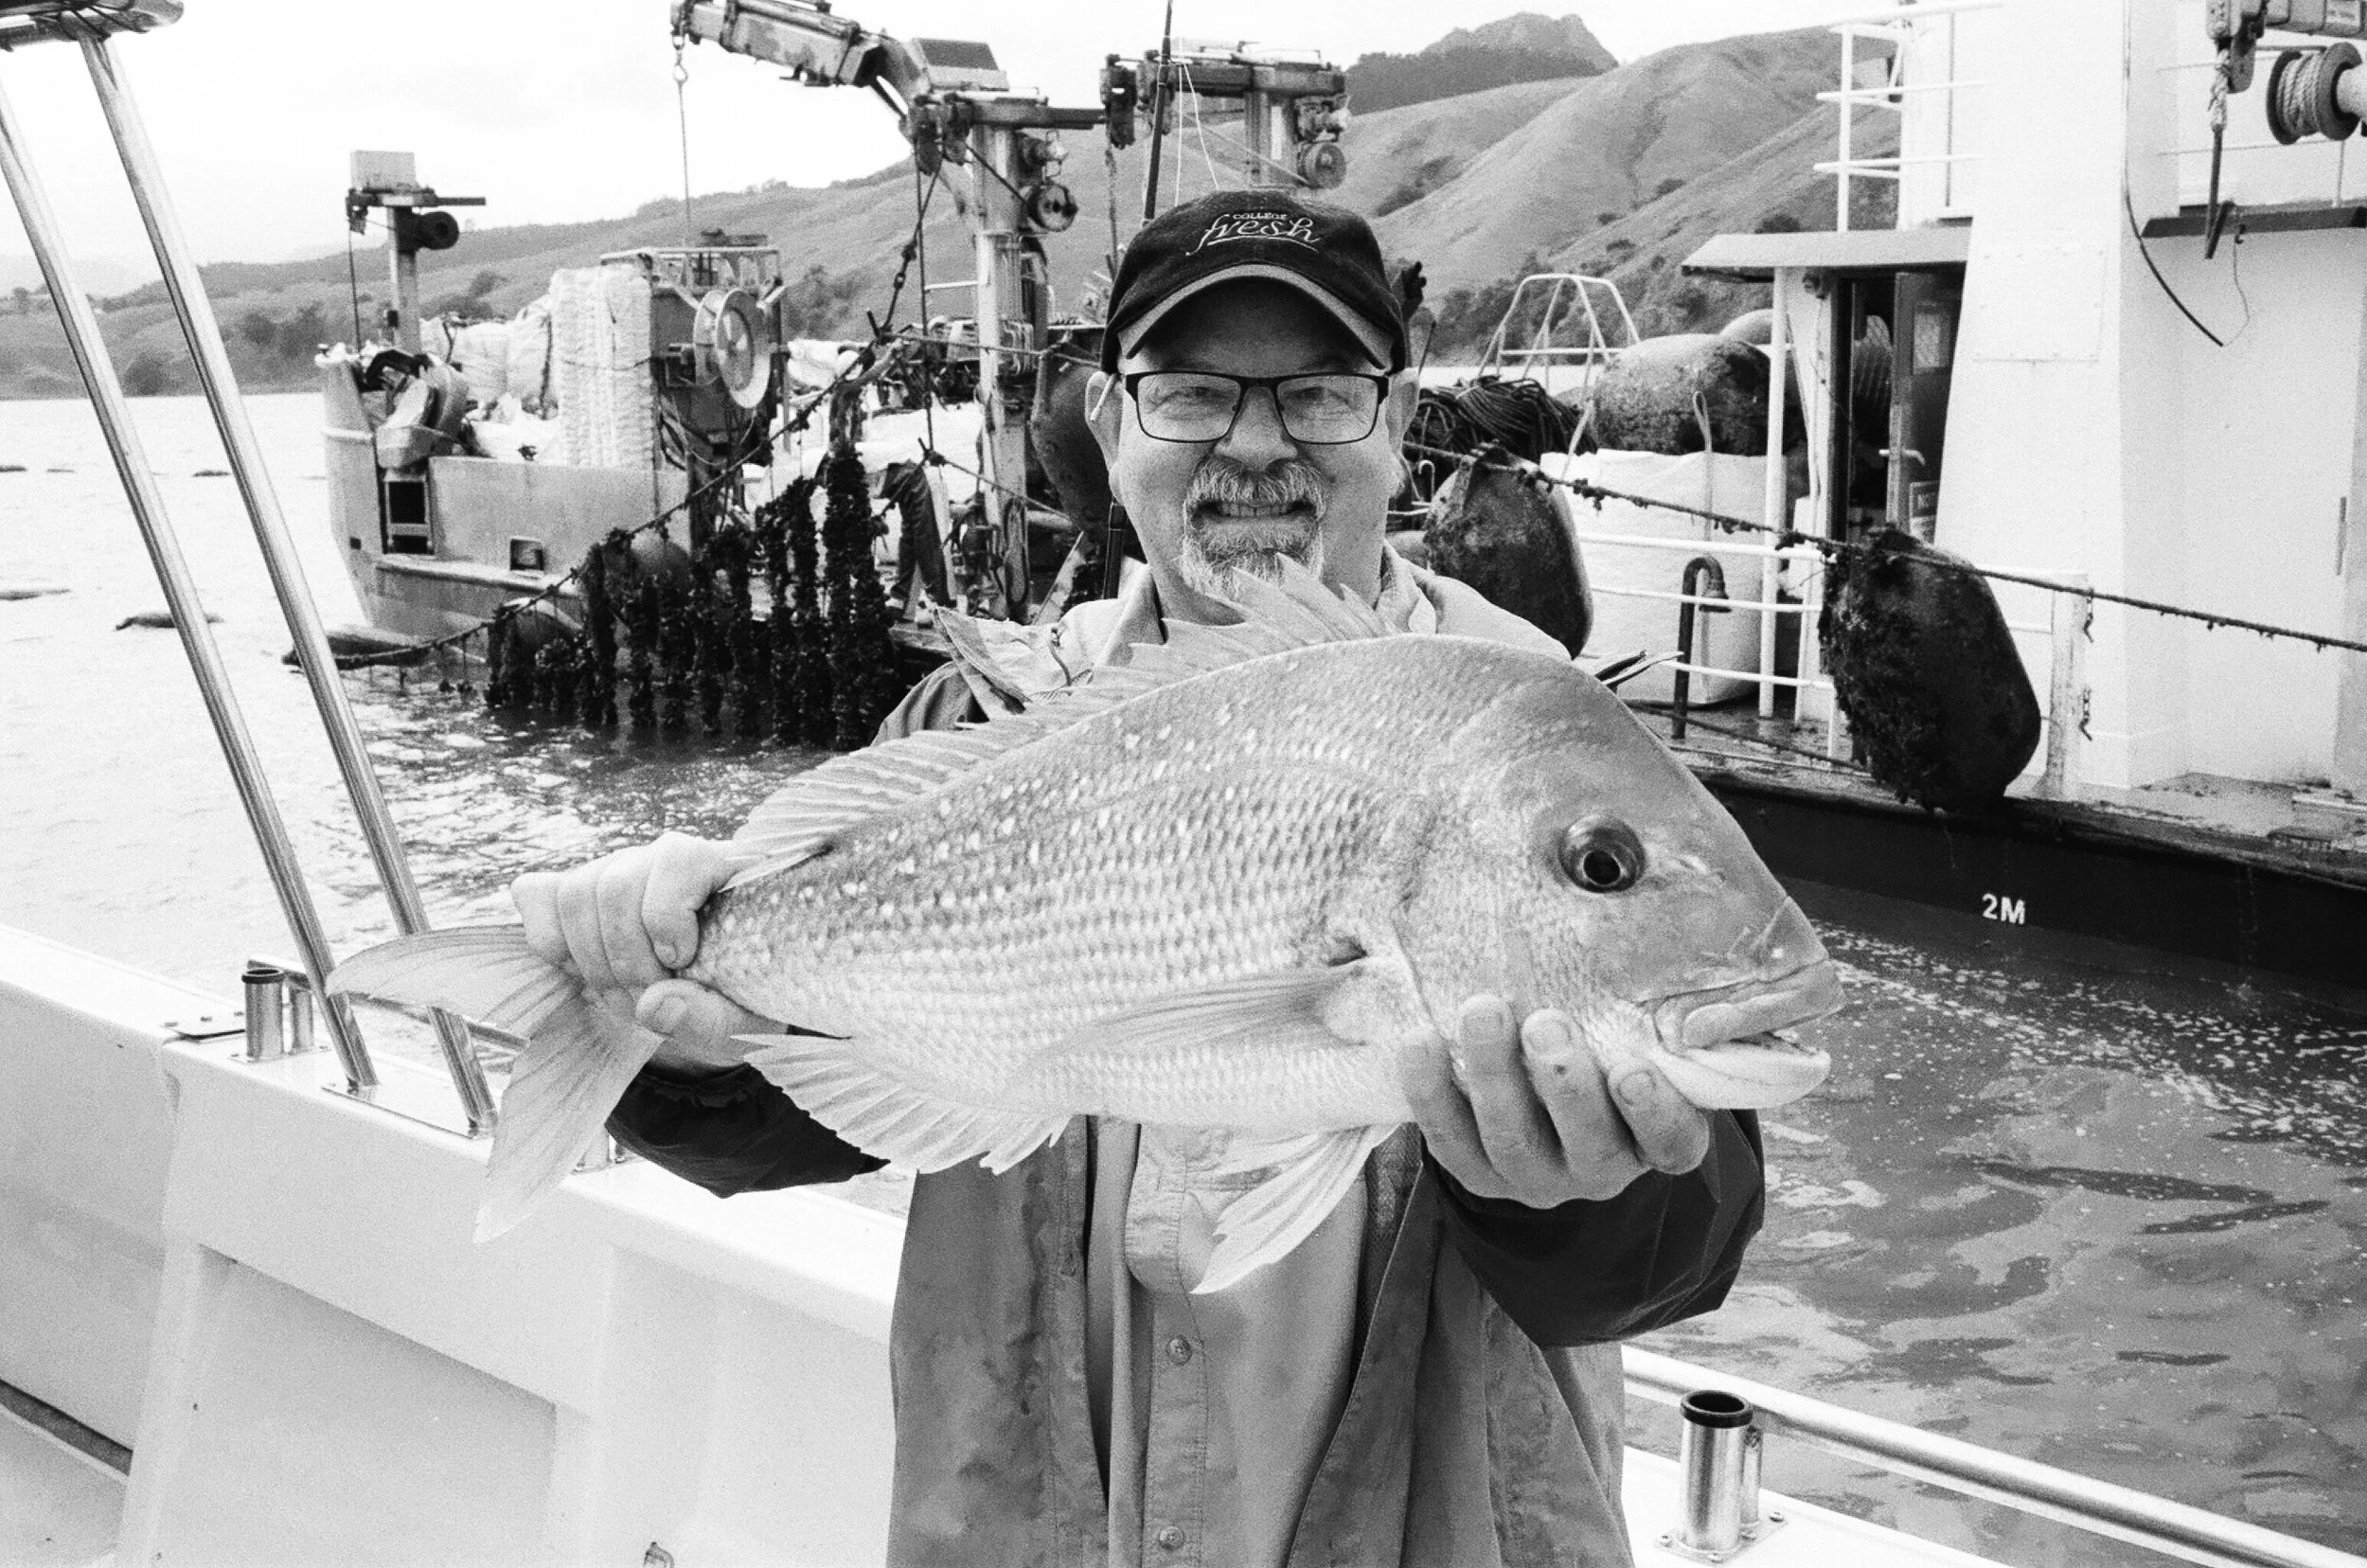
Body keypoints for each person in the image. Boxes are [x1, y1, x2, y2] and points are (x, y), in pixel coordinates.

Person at [512, 188, 1765, 1568]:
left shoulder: (1537, 737)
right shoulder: (971, 730)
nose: (1255, 444)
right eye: (1190, 392)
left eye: (1320, 394)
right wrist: (668, 1029)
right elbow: (825, 1120)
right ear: (1112, 430)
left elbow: (1678, 1262)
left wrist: (1579, 1188)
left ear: (1397, 425)